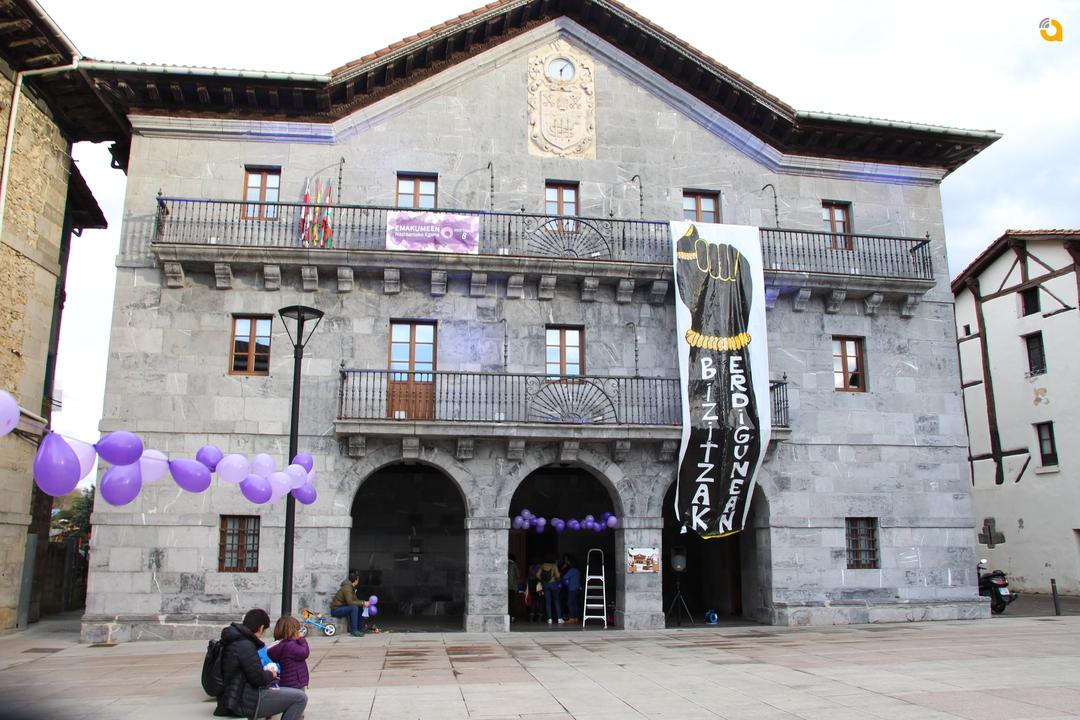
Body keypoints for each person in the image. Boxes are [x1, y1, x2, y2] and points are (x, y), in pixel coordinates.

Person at [214, 608, 307, 720]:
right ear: (261, 628)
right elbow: (259, 679)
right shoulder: (245, 646)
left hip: (232, 697)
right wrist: (271, 674)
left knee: (292, 694)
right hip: (243, 702)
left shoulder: (233, 641)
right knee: (300, 698)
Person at [267, 615, 310, 690]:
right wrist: (302, 639)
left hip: (287, 680)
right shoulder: (289, 645)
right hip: (295, 682)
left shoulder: (281, 645)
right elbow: (305, 652)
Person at [330, 572, 370, 636]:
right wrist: (363, 603)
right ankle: (354, 630)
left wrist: (364, 602)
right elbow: (350, 602)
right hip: (336, 610)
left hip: (342, 608)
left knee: (360, 606)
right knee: (354, 608)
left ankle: (361, 627)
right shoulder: (347, 588)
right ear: (355, 581)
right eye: (358, 580)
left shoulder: (351, 588)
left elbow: (355, 600)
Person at [535, 553, 563, 624]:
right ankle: (559, 618)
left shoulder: (543, 565)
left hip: (545, 584)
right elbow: (557, 575)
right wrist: (558, 581)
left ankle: (549, 619)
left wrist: (542, 580)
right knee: (556, 601)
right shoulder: (554, 566)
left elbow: (537, 575)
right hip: (553, 584)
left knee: (548, 602)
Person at [563, 555, 581, 623]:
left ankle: (572, 617)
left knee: (570, 603)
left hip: (572, 588)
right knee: (575, 603)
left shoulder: (571, 570)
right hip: (578, 588)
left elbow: (565, 577)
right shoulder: (577, 570)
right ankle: (576, 617)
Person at [507, 553, 521, 623]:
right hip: (513, 587)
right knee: (512, 602)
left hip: (505, 586)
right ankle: (513, 617)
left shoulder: (505, 565)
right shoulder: (514, 565)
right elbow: (518, 575)